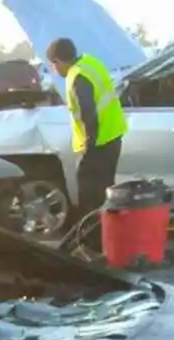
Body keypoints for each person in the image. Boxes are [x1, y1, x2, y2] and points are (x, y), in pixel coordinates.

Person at [46, 37, 128, 233]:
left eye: (53, 66)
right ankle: (108, 236)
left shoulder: (78, 77)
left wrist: (88, 153)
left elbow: (88, 116)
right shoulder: (91, 62)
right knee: (104, 193)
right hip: (112, 136)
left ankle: (91, 241)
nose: (54, 71)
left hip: (98, 145)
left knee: (89, 197)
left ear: (58, 61)